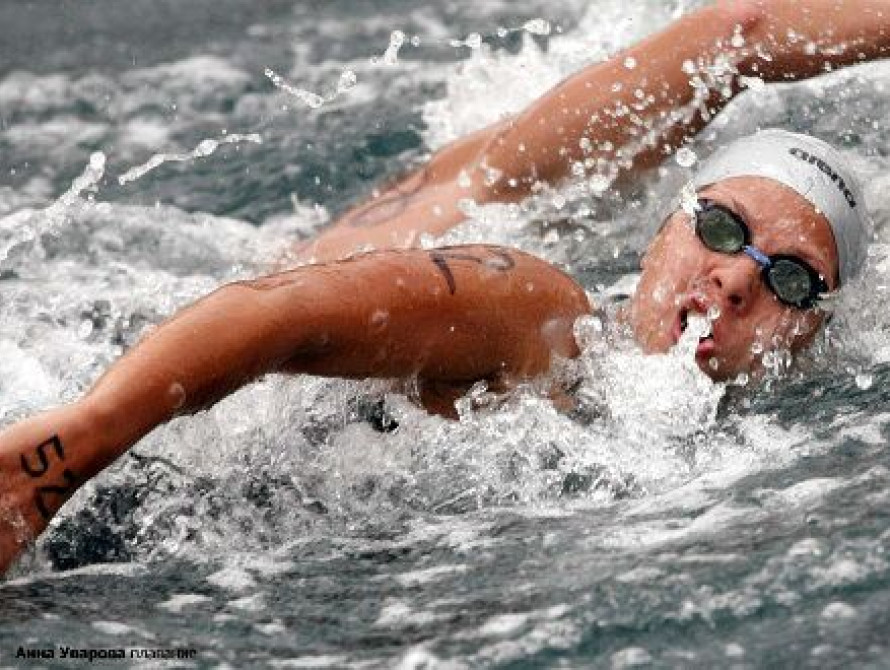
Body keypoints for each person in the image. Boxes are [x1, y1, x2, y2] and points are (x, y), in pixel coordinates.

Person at [0, 0, 887, 575]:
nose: (736, 280)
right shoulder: (542, 312)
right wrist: (64, 450)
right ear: (663, 226)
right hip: (78, 402)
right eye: (722, 229)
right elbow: (284, 311)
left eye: (793, 282)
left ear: (816, 333)